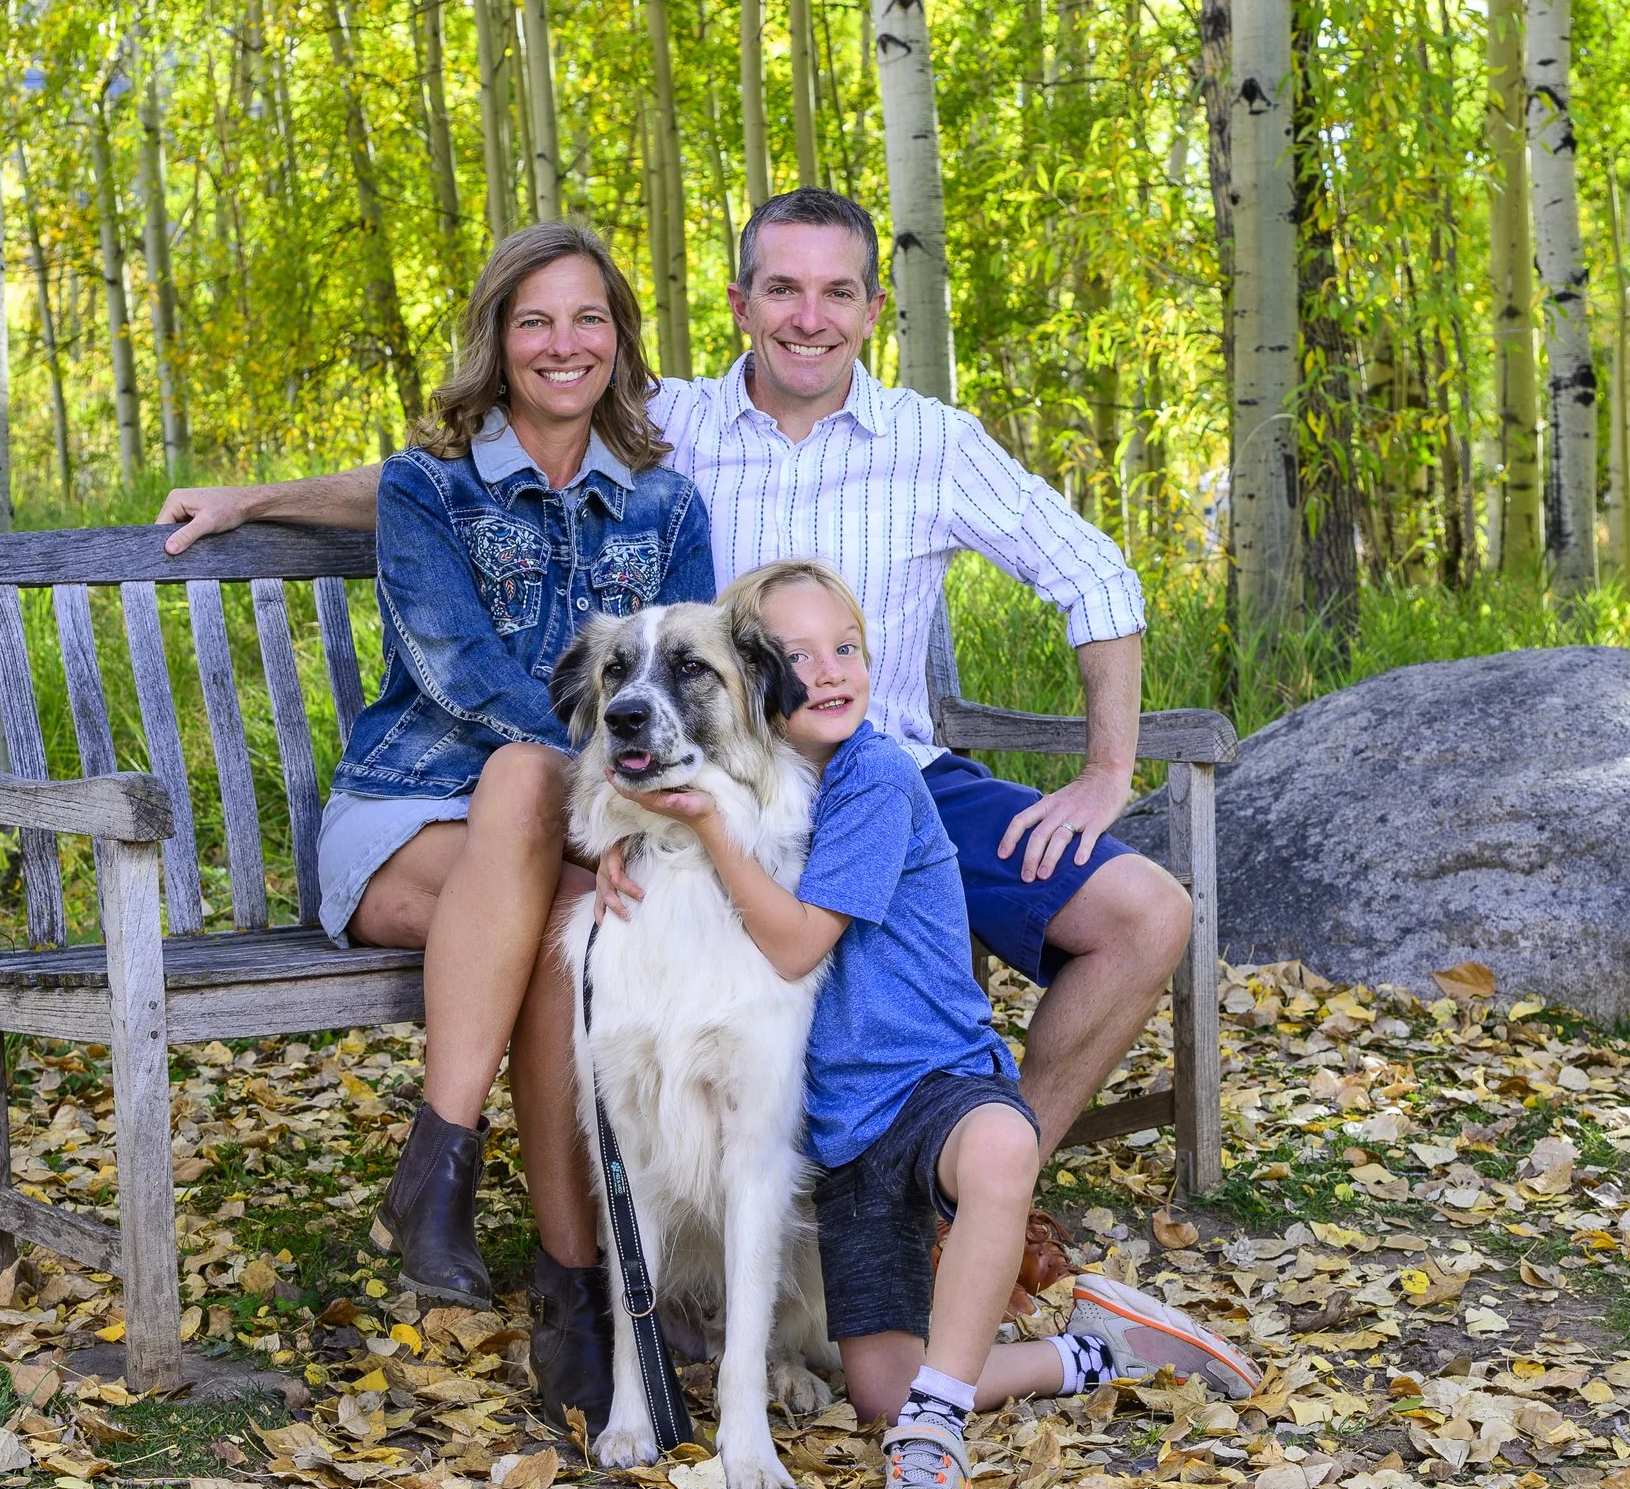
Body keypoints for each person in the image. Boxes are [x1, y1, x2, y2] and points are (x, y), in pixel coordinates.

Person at [158, 188, 1193, 1237]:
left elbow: (1097, 579)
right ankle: (629, 1243)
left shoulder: (936, 442)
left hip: (890, 779)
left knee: (1145, 915)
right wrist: (255, 500)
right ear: (740, 303)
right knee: (608, 916)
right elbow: (454, 477)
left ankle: (978, 1196)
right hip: (711, 793)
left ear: (874, 308)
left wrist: (1107, 771)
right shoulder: (673, 432)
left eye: (837, 292)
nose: (808, 317)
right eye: (781, 289)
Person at [604, 561, 1258, 1489]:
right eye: (795, 657)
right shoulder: (765, 784)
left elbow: (792, 944)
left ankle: (935, 1444)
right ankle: (1097, 1350)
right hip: (844, 1138)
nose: (826, 673)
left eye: (847, 650)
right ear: (752, 683)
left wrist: (695, 823)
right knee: (873, 1385)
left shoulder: (873, 776)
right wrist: (638, 839)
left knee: (1000, 1150)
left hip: (929, 1085)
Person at [323, 222, 713, 1431]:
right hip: (407, 821)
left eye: (587, 319)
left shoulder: (665, 505)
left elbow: (695, 675)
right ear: (498, 337)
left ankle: (475, 1215)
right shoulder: (422, 488)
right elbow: (456, 670)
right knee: (520, 784)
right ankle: (571, 1288)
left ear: (619, 340)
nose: (562, 343)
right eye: (535, 319)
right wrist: (593, 783)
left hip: (571, 840)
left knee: (565, 928)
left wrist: (602, 806)